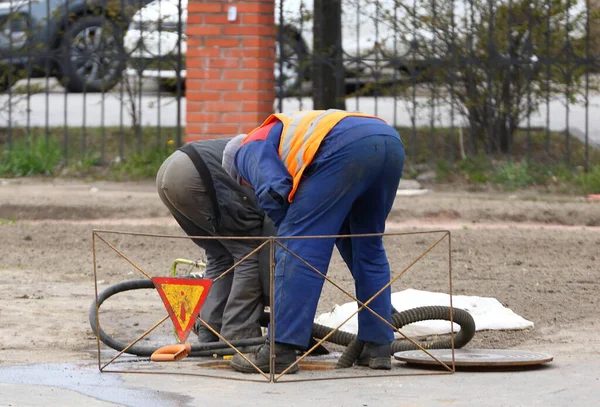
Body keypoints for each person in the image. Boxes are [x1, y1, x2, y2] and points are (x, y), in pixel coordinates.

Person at [222, 109, 405, 374]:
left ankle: (279, 351)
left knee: (298, 245)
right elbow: (342, 235)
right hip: (387, 140)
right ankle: (377, 347)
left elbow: (275, 190)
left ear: (239, 175)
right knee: (366, 246)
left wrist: (291, 232)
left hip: (344, 146)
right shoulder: (287, 136)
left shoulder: (246, 148)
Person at [156, 137, 276, 343]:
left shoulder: (270, 142)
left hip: (170, 169)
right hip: (198, 173)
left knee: (220, 255)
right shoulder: (284, 158)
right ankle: (239, 337)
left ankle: (210, 333)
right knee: (248, 254)